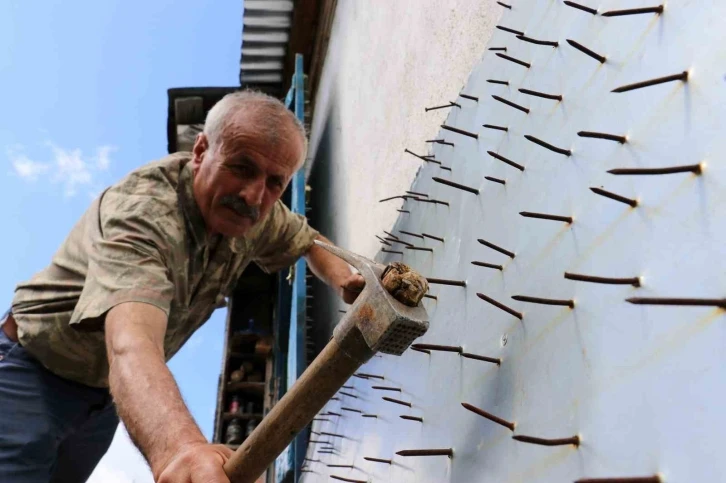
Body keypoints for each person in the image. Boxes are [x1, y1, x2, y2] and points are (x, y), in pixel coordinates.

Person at [1, 91, 365, 482]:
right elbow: (131, 342)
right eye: (241, 168)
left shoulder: (258, 213)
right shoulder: (144, 214)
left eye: (275, 183)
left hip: (102, 397)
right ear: (201, 150)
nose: (253, 196)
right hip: (31, 370)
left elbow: (309, 241)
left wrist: (354, 284)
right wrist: (182, 450)